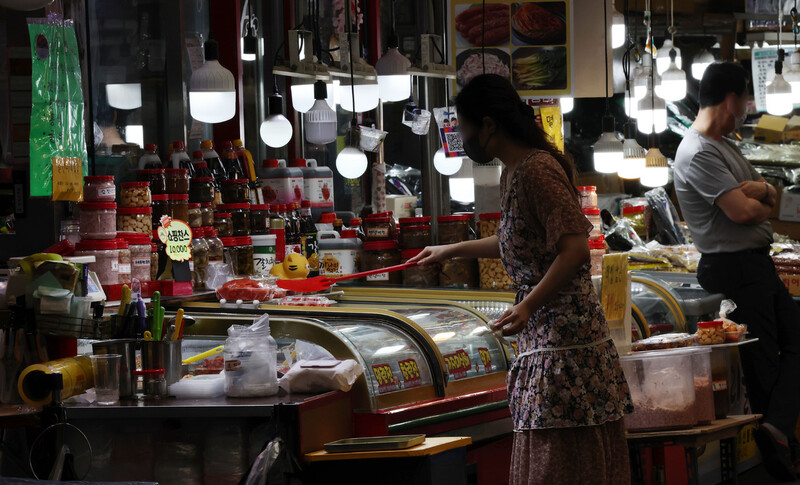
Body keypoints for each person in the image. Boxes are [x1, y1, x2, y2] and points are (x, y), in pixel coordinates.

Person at [410, 74, 633, 484]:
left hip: (567, 345)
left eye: (464, 127)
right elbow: (519, 240)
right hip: (544, 340)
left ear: (489, 125)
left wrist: (528, 304)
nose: (462, 137)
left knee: (561, 458)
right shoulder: (512, 172)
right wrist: (450, 249)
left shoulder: (537, 171)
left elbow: (575, 249)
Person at [674, 61, 800, 481]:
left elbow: (768, 193)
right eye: (747, 99)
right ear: (731, 100)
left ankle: (776, 430)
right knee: (764, 366)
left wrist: (763, 190)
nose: (748, 107)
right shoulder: (697, 152)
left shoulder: (725, 144)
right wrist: (761, 196)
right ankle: (778, 460)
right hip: (733, 269)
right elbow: (746, 210)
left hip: (754, 265)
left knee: (791, 346)